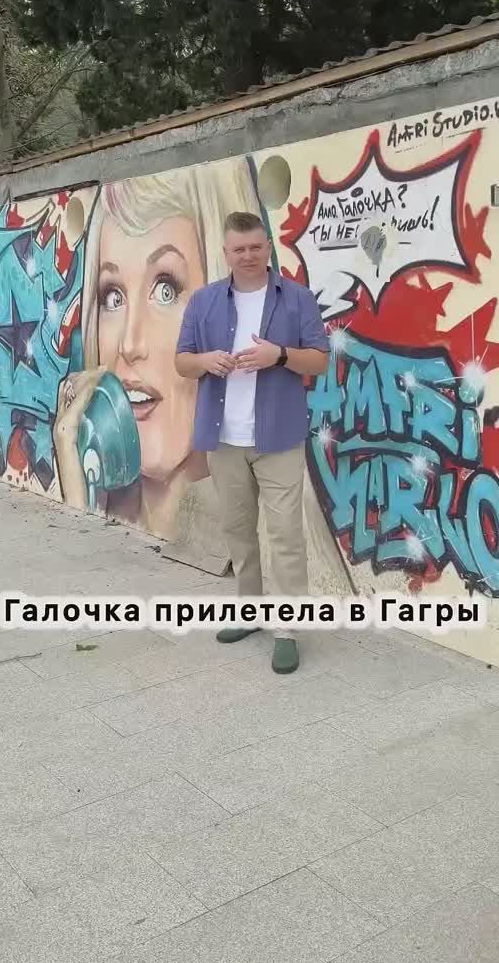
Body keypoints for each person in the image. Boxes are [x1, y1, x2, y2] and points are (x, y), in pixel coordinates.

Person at [53, 159, 262, 540]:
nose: (129, 344)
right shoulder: (100, 501)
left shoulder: (263, 534)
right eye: (112, 297)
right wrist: (75, 488)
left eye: (166, 290)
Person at [175, 211, 330, 674]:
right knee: (238, 532)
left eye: (256, 247)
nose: (248, 256)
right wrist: (206, 360)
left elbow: (319, 361)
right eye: (239, 249)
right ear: (226, 253)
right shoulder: (203, 301)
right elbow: (182, 362)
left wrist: (277, 355)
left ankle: (287, 630)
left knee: (285, 536)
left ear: (268, 247)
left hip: (278, 436)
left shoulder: (297, 298)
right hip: (224, 439)